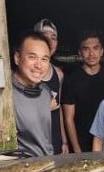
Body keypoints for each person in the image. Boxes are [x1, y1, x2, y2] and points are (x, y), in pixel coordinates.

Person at [62, 30, 104, 153]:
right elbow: (68, 119)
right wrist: (77, 150)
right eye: (86, 49)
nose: (91, 54)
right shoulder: (71, 79)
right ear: (80, 53)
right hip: (80, 141)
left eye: (95, 48)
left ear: (101, 51)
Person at [12, 30, 53, 156]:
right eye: (32, 57)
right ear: (17, 58)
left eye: (44, 59)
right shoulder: (4, 95)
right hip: (21, 169)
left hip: (46, 164)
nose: (39, 65)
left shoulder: (46, 92)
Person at [34, 19, 69, 155]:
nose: (49, 41)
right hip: (33, 142)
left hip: (54, 139)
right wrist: (44, 107)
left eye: (53, 38)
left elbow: (58, 109)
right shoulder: (27, 73)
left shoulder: (58, 74)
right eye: (44, 36)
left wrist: (64, 141)